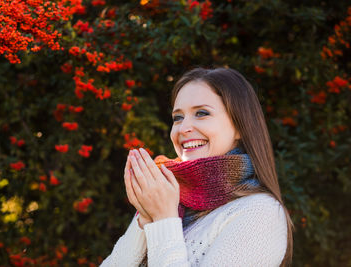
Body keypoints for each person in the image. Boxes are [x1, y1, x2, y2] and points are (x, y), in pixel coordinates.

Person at [100, 67, 293, 266]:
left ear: (240, 126)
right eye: (178, 117)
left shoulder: (260, 213)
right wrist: (146, 219)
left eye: (202, 113)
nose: (183, 128)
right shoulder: (169, 198)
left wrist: (164, 219)